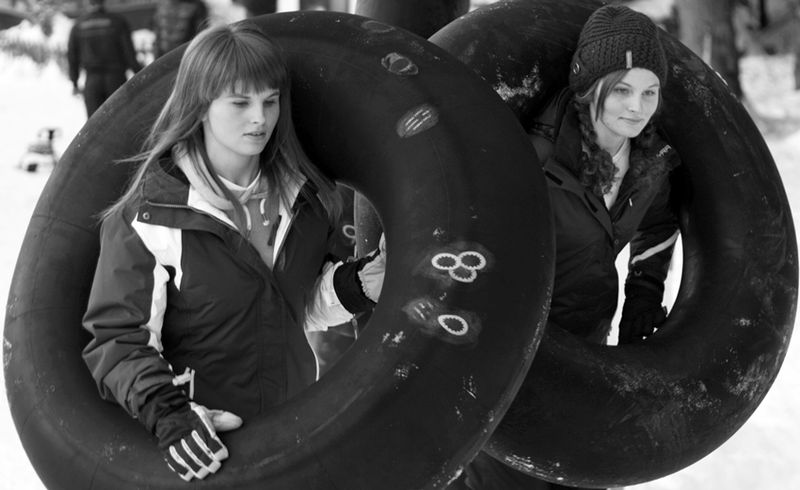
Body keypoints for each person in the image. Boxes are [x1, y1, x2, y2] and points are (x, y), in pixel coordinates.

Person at [81, 22, 385, 482]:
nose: (260, 119)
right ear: (200, 105)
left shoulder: (305, 200)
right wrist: (171, 415)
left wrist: (357, 286)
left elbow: (296, 306)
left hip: (295, 437)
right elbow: (118, 339)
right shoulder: (150, 219)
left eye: (270, 100)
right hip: (206, 450)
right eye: (240, 103)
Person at [452, 5, 681, 489]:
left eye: (649, 91)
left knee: (578, 475)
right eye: (621, 90)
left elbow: (658, 225)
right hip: (512, 354)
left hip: (588, 344)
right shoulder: (534, 157)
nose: (636, 107)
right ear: (590, 86)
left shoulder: (650, 158)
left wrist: (644, 294)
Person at [66, 0, 143, 117]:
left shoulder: (78, 25)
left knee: (96, 123)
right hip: (116, 79)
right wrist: (140, 74)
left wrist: (74, 81)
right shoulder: (118, 22)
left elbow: (72, 56)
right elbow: (129, 52)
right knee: (119, 119)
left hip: (92, 82)